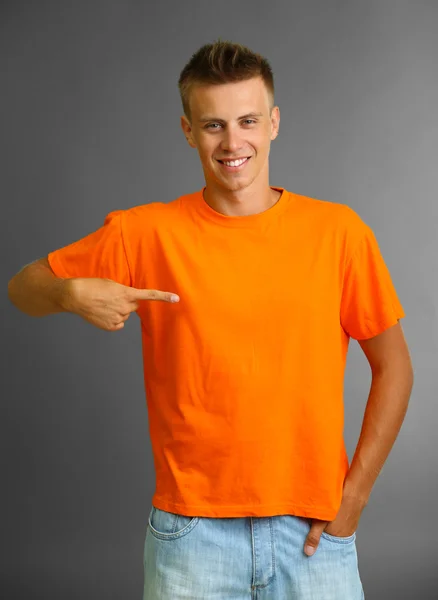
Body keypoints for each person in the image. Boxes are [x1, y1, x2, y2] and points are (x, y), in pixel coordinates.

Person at [8, 39, 413, 600]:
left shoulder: (338, 234)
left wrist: (357, 496)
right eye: (213, 125)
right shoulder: (146, 232)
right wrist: (71, 293)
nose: (232, 141)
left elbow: (394, 368)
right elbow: (22, 288)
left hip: (313, 534)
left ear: (274, 123)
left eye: (248, 120)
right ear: (188, 131)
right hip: (191, 535)